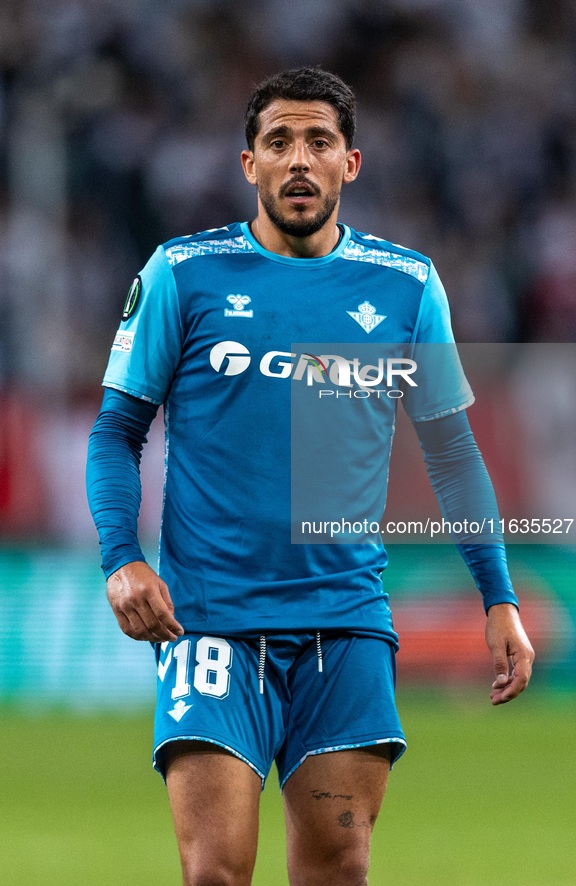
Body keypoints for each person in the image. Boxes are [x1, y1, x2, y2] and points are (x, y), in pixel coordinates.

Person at [87, 67, 534, 886]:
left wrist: (498, 596)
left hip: (346, 622)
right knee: (215, 873)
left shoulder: (405, 284)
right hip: (210, 622)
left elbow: (451, 453)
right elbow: (115, 432)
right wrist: (121, 558)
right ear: (248, 164)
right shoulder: (184, 273)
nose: (299, 159)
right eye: (279, 142)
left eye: (318, 142)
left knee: (338, 870)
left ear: (350, 163)